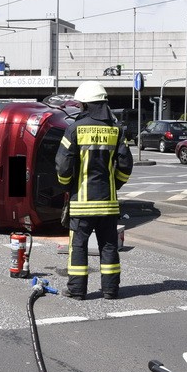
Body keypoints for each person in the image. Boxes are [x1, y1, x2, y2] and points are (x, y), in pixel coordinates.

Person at [55, 81, 133, 300]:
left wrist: (66, 185)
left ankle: (77, 290)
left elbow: (62, 165)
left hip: (81, 204)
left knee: (78, 246)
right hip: (108, 204)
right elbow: (126, 164)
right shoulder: (116, 129)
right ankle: (110, 290)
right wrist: (115, 184)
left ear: (86, 105)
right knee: (108, 247)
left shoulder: (75, 128)